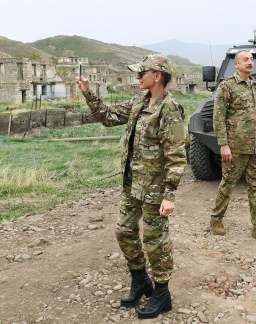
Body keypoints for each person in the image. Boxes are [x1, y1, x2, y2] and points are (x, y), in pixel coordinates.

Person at [75, 54, 187, 319]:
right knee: (124, 232)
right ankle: (140, 281)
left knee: (155, 242)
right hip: (132, 184)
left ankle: (162, 293)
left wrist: (169, 195)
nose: (137, 78)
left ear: (157, 76)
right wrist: (88, 93)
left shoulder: (169, 108)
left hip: (154, 189)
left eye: (141, 73)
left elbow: (177, 155)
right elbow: (108, 116)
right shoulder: (140, 101)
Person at [210, 50, 256, 242]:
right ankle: (216, 220)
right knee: (228, 184)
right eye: (245, 60)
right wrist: (224, 145)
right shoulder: (227, 86)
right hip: (236, 147)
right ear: (236, 64)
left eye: (251, 59)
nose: (250, 63)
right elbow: (218, 118)